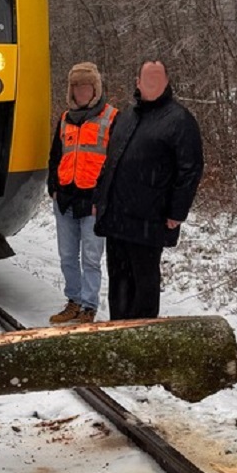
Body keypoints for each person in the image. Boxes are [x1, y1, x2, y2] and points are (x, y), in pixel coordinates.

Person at [93, 60, 203, 320]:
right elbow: (111, 161)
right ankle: (117, 332)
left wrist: (177, 211)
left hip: (150, 219)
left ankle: (143, 337)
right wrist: (100, 197)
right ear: (137, 82)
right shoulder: (127, 116)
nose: (151, 83)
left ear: (167, 82)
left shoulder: (180, 120)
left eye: (157, 78)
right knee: (119, 282)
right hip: (117, 218)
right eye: (146, 78)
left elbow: (191, 169)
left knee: (144, 285)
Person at [47, 62, 118, 324]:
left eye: (86, 86)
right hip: (65, 197)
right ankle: (73, 300)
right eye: (76, 87)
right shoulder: (65, 119)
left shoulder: (111, 117)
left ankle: (89, 306)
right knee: (67, 255)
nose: (81, 91)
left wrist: (105, 197)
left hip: (93, 201)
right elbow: (55, 156)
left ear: (96, 88)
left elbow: (114, 162)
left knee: (91, 257)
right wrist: (52, 186)